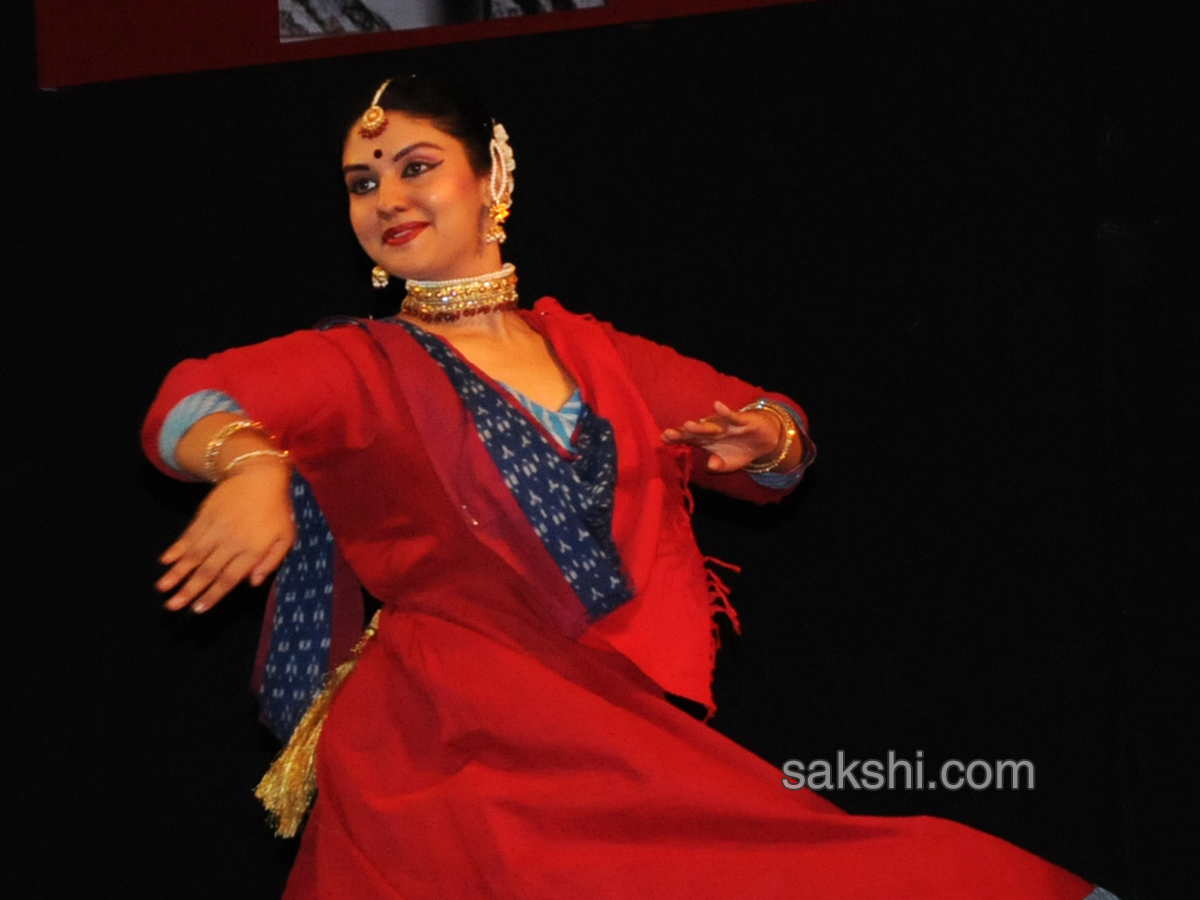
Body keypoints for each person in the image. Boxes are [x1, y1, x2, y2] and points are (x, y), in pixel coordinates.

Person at [142, 75, 1118, 900]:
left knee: (809, 867)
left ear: (495, 174)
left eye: (416, 166)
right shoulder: (357, 365)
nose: (386, 198)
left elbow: (774, 427)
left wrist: (769, 441)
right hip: (446, 746)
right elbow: (195, 397)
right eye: (362, 182)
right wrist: (251, 461)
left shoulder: (593, 353)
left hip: (600, 714)